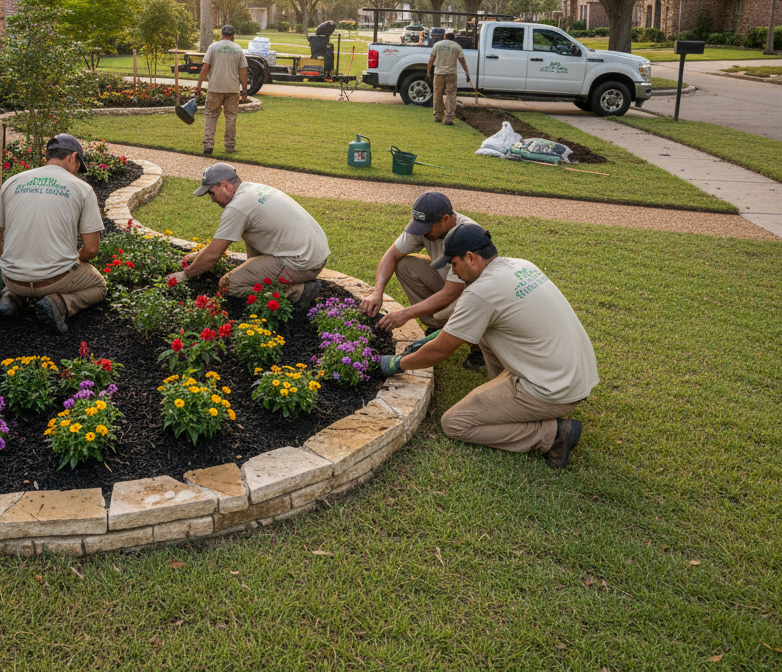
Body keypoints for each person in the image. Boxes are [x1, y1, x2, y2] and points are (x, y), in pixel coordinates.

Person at [378, 225, 599, 469]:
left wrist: (396, 364)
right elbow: (468, 324)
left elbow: (440, 351)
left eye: (453, 264)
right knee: (483, 334)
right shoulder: (521, 265)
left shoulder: (481, 292)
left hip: (552, 389)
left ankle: (552, 434)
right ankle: (504, 395)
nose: (453, 272)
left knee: (455, 423)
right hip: (577, 373)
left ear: (471, 257)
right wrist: (434, 336)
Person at [0, 133, 107, 334]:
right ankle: (59, 302)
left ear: (48, 158)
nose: (76, 171)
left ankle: (12, 296)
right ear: (73, 158)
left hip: (13, 279)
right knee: (99, 286)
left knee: (17, 281)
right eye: (78, 166)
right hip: (55, 281)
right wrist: (75, 261)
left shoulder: (13, 182)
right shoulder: (82, 189)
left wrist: (5, 271)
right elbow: (92, 249)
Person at [172, 162, 329, 310]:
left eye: (211, 193)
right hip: (314, 254)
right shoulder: (252, 189)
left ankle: (299, 292)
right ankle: (282, 281)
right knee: (250, 236)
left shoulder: (237, 207)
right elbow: (216, 245)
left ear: (225, 185)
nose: (212, 199)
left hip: (301, 263)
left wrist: (185, 274)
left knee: (229, 285)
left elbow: (213, 254)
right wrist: (196, 256)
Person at [359, 191, 486, 370]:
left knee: (456, 313)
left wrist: (405, 314)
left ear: (446, 219)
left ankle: (478, 347)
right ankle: (436, 328)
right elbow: (392, 255)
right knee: (405, 265)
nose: (422, 232)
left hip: (474, 293)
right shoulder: (423, 228)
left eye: (427, 227)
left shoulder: (468, 236)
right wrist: (377, 291)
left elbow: (450, 293)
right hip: (449, 280)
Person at [194, 24, 248, 156]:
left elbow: (205, 67)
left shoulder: (213, 47)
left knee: (211, 116)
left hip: (215, 88)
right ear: (233, 36)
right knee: (231, 117)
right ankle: (229, 146)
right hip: (232, 89)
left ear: (221, 35)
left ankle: (208, 145)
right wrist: (244, 90)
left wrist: (199, 85)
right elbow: (243, 72)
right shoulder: (238, 49)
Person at [428, 31, 473, 124]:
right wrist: (467, 73)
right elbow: (462, 60)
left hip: (438, 73)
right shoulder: (456, 46)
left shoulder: (437, 45)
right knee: (451, 95)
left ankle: (437, 115)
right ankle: (448, 118)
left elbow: (431, 59)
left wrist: (428, 72)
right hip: (451, 73)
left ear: (445, 37)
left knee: (437, 94)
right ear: (453, 38)